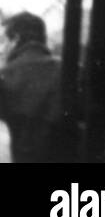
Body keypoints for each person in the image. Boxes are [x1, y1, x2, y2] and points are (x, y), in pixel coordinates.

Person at [0, 12, 74, 163]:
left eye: (2, 41)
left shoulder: (6, 77)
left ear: (15, 39)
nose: (1, 50)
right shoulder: (72, 71)